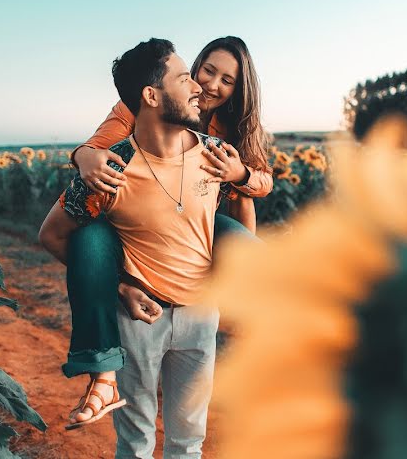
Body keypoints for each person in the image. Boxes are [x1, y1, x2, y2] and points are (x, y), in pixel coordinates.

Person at [61, 36, 272, 427]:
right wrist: (82, 155)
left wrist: (239, 174)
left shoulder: (230, 130)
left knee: (253, 251)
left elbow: (255, 188)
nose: (210, 85)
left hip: (201, 231)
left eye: (227, 80)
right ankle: (100, 372)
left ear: (238, 90)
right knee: (90, 238)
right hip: (137, 232)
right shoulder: (142, 106)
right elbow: (97, 148)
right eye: (206, 71)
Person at [39, 38, 233, 457]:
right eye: (185, 79)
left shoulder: (216, 156)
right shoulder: (113, 168)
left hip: (201, 317)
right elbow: (52, 234)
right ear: (151, 95)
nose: (198, 87)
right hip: (140, 320)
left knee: (188, 442)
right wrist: (119, 288)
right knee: (137, 441)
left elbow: (224, 223)